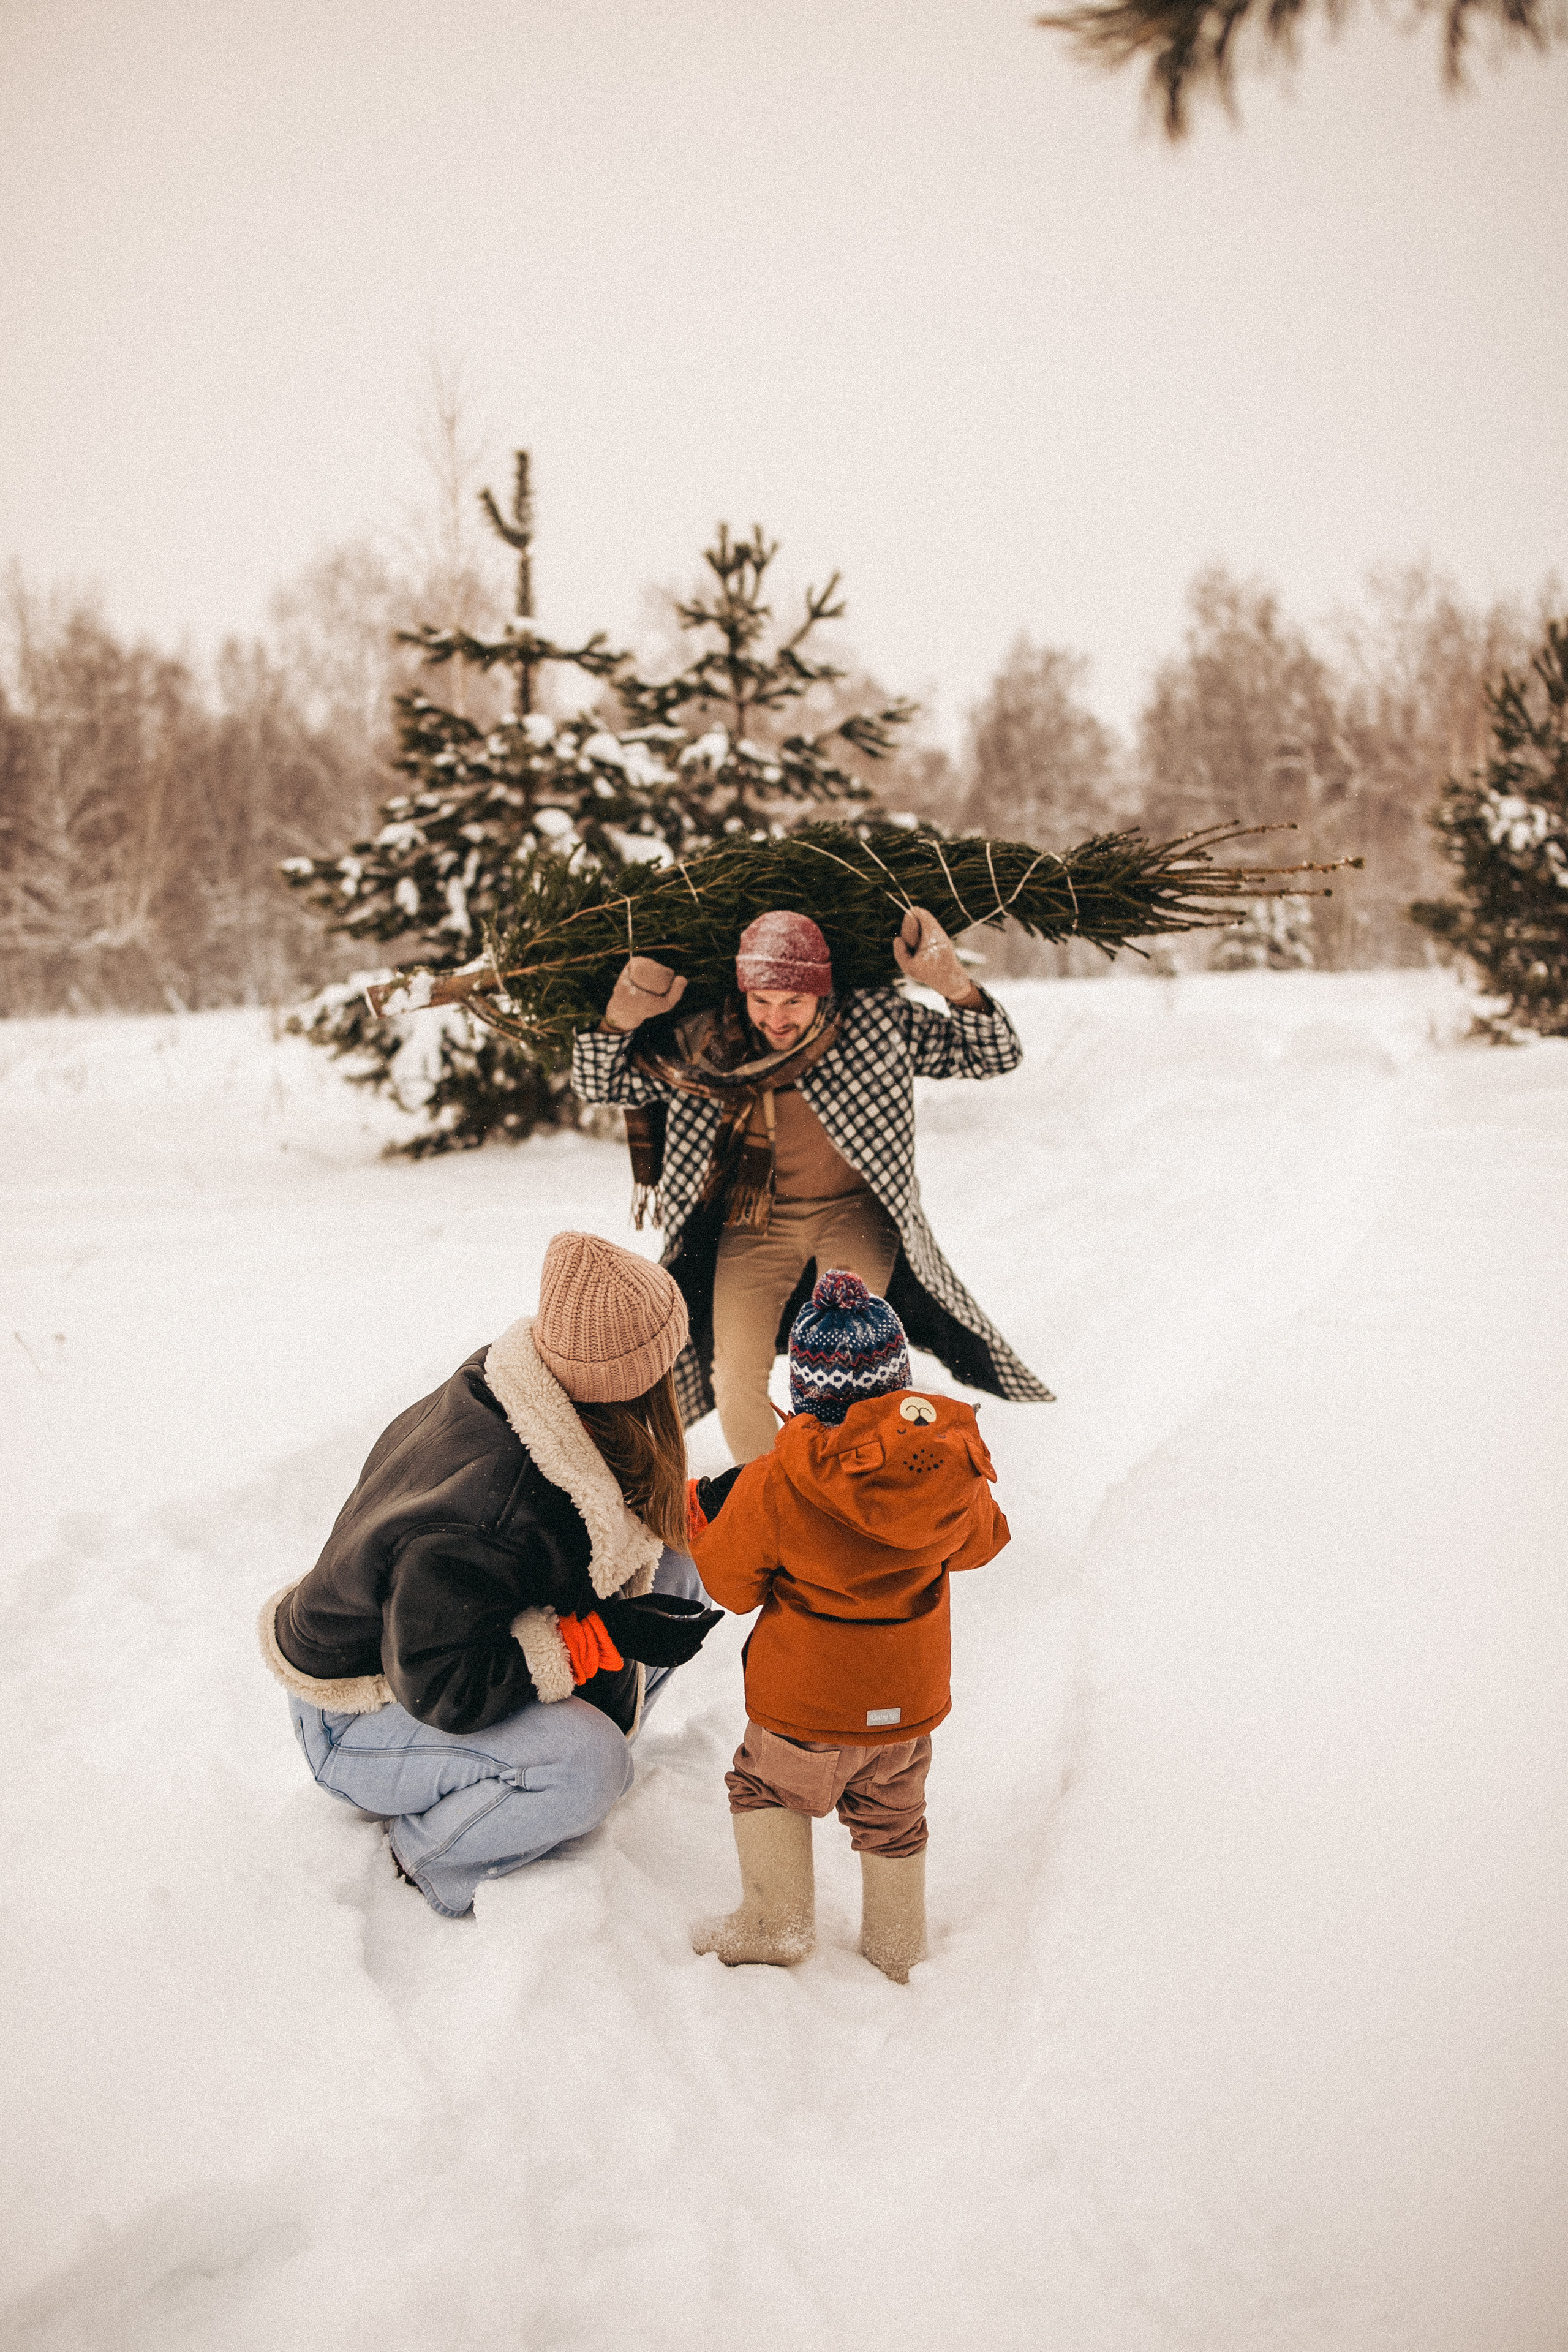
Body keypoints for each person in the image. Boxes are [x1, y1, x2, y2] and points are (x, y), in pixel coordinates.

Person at [257, 1231, 721, 1919]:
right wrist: (600, 1638)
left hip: (435, 1652)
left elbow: (578, 1533)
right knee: (588, 1764)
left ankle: (541, 1775)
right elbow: (445, 1686)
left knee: (679, 1564)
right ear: (630, 1376)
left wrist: (697, 1511)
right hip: (364, 1712)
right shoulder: (488, 1510)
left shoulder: (542, 1395)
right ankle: (432, 1858)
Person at [571, 902, 1052, 1463]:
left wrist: (955, 985)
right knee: (733, 1373)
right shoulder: (706, 1042)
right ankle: (778, 1499)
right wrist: (618, 1020)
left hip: (854, 1214)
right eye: (762, 1001)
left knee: (856, 1363)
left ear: (821, 992)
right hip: (753, 1223)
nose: (776, 1019)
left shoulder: (876, 1024)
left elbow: (996, 1054)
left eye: (793, 1001)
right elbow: (600, 1083)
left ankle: (858, 1486)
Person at [685, 1269, 1011, 1981]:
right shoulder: (948, 1466)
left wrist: (706, 1518)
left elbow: (731, 1587)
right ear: (898, 1382)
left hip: (803, 1708)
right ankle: (898, 1950)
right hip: (908, 1709)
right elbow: (985, 1545)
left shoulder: (776, 1481)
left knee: (763, 1788)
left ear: (804, 1391)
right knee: (895, 1820)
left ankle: (778, 1923)